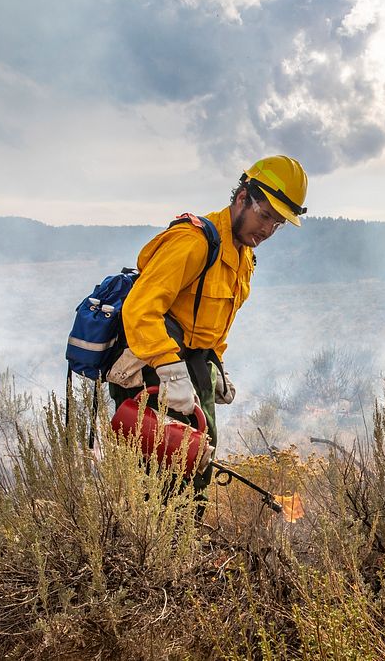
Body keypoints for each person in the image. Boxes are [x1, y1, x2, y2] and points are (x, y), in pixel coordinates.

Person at [107, 155, 308, 507]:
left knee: (196, 468)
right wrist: (170, 371)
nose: (267, 230)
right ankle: (150, 553)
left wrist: (216, 367)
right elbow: (139, 308)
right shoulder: (195, 241)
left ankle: (182, 547)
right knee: (157, 483)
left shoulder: (243, 257)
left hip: (193, 370)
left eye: (277, 224)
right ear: (243, 197)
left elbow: (213, 323)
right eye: (265, 216)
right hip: (153, 370)